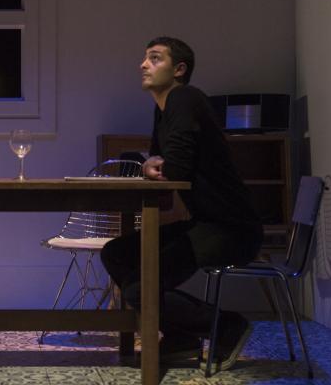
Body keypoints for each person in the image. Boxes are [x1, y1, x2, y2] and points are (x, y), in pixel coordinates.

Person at [101, 36, 262, 371]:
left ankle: (227, 326)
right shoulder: (163, 108)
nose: (143, 65)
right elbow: (157, 162)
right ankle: (181, 337)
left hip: (231, 228)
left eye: (154, 58)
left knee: (140, 288)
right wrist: (150, 165)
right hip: (204, 222)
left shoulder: (184, 98)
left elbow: (173, 168)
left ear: (179, 69)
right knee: (116, 253)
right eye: (145, 58)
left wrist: (153, 165)